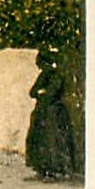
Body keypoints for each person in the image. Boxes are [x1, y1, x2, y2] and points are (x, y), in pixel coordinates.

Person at [25, 48, 78, 181]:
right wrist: (40, 92)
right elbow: (32, 92)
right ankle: (42, 170)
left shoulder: (56, 76)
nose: (40, 66)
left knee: (52, 140)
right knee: (39, 139)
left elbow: (51, 94)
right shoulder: (44, 75)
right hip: (42, 112)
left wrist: (42, 93)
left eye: (42, 62)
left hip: (53, 113)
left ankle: (53, 171)